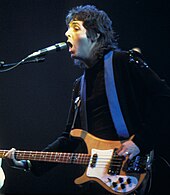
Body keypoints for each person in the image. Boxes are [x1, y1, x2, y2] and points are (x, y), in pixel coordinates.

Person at [4, 4, 170, 195]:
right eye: (67, 29)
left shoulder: (123, 61)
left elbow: (164, 98)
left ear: (96, 34)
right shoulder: (79, 85)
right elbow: (69, 139)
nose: (67, 33)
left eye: (75, 27)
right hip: (99, 183)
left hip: (133, 171)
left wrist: (139, 142)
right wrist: (28, 163)